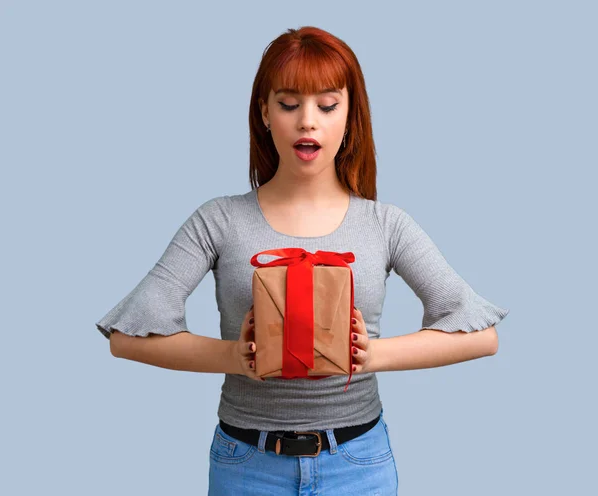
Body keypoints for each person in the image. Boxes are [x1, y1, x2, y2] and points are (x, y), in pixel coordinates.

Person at [95, 26, 509, 495]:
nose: (307, 122)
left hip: (358, 464)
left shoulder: (385, 224)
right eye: (289, 104)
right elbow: (127, 339)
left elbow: (482, 338)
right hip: (246, 465)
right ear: (265, 113)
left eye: (327, 105)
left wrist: (372, 355)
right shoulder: (218, 221)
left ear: (351, 116)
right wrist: (235, 356)